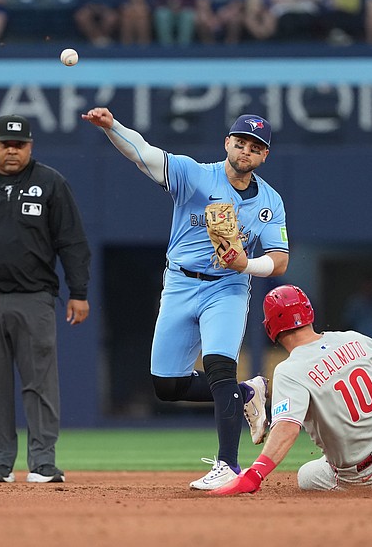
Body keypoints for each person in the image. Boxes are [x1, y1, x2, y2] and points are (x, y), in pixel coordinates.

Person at [81, 107, 289, 490]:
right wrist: (112, 127)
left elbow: (279, 261)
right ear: (227, 142)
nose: (245, 150)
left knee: (218, 367)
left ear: (264, 156)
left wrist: (246, 264)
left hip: (226, 287)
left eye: (255, 147)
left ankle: (229, 466)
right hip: (179, 283)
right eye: (240, 142)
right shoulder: (194, 175)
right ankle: (247, 392)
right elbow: (144, 154)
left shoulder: (270, 202)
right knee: (167, 385)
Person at [0, 114, 92, 484]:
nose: (12, 150)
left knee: (41, 382)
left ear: (30, 146)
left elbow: (71, 241)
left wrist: (79, 293)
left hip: (35, 297)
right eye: (5, 143)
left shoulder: (50, 183)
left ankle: (42, 463)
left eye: (19, 144)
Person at [209, 284, 372, 495]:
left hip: (367, 472)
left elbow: (287, 430)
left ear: (271, 327)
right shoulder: (350, 338)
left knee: (307, 475)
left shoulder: (289, 370)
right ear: (308, 313)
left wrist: (255, 475)